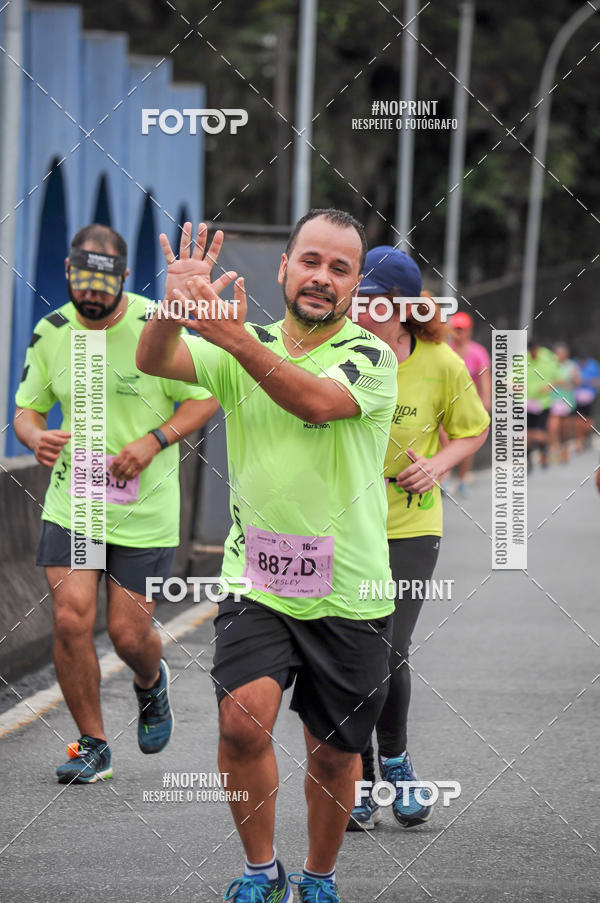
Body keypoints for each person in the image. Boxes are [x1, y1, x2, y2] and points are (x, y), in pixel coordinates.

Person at [136, 212, 399, 903]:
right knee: (241, 717)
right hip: (259, 580)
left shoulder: (372, 358)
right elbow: (155, 360)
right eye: (310, 261)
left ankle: (319, 875)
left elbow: (311, 401)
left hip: (352, 589)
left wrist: (220, 329)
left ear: (354, 288)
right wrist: (172, 305)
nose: (322, 277)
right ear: (283, 268)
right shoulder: (241, 344)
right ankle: (261, 871)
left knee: (335, 752)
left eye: (340, 269)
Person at [13, 224, 219, 784]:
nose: (92, 297)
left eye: (104, 286)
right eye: (83, 283)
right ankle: (93, 742)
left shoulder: (156, 324)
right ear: (67, 273)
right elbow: (27, 409)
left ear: (125, 279)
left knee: (129, 635)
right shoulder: (51, 331)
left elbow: (206, 399)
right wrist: (35, 438)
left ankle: (151, 683)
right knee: (69, 619)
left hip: (143, 511)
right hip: (73, 503)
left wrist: (154, 441)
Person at [347, 246, 490, 831]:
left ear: (405, 308)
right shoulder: (336, 352)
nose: (363, 313)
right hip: (343, 525)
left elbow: (472, 431)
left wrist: (437, 464)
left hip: (410, 524)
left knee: (388, 647)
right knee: (351, 654)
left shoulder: (440, 362)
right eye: (358, 301)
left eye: (376, 304)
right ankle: (358, 779)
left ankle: (398, 764)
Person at [447, 311, 492, 495]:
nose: (459, 333)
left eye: (462, 330)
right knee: (445, 440)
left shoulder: (477, 352)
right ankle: (446, 476)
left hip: (469, 404)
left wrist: (486, 400)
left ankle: (463, 478)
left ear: (469, 330)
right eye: (456, 329)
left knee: (465, 442)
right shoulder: (445, 349)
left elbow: (484, 379)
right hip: (447, 402)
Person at [526, 339, 561, 471]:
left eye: (535, 351)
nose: (533, 353)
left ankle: (544, 453)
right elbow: (510, 377)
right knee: (527, 433)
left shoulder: (549, 358)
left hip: (543, 403)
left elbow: (558, 378)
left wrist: (549, 386)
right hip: (527, 402)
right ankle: (528, 459)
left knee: (539, 433)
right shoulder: (523, 359)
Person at [547, 343, 580, 463]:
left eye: (562, 353)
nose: (560, 356)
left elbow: (577, 382)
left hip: (566, 400)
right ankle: (553, 450)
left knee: (564, 428)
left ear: (566, 354)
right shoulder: (550, 365)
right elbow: (547, 382)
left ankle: (565, 449)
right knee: (553, 426)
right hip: (553, 399)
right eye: (558, 353)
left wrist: (571, 381)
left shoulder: (571, 365)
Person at [572, 350, 600, 452]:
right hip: (577, 397)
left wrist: (588, 381)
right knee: (578, 420)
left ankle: (587, 436)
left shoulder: (593, 365)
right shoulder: (574, 364)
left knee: (588, 421)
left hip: (590, 396)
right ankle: (580, 440)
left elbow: (597, 381)